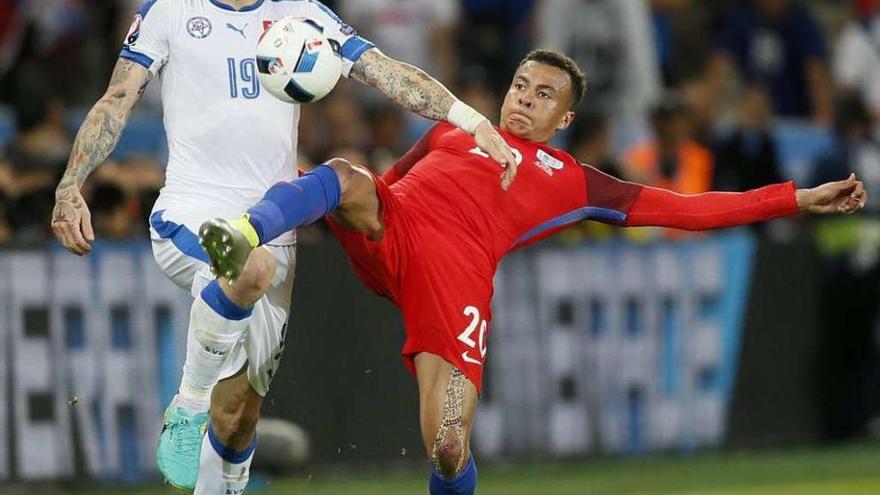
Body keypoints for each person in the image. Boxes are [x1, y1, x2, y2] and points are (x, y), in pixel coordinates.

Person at [200, 49, 866, 495]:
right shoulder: (455, 129)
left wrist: (793, 197)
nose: (523, 100)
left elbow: (686, 208)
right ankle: (246, 229)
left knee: (449, 445)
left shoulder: (572, 180)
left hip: (455, 287)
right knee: (346, 174)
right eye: (520, 85)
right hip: (393, 229)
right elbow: (390, 184)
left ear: (565, 118)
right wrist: (343, 209)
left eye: (543, 95)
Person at [49, 0, 516, 492]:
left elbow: (383, 71)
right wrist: (70, 184)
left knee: (238, 416)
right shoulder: (169, 11)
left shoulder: (301, 13)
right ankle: (186, 408)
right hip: (191, 210)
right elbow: (116, 98)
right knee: (250, 268)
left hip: (275, 223)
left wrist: (471, 120)